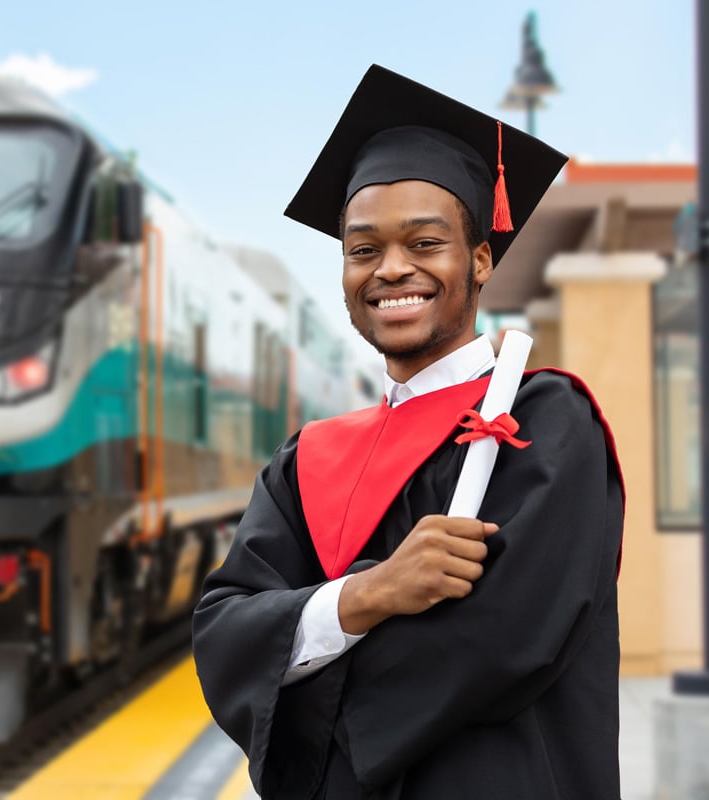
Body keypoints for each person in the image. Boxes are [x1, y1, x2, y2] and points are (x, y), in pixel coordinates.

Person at [191, 65, 625, 800]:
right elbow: (224, 633)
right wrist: (368, 595)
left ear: (480, 258)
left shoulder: (545, 423)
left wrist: (309, 658)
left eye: (425, 244)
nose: (392, 270)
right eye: (363, 250)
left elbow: (499, 641)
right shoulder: (308, 461)